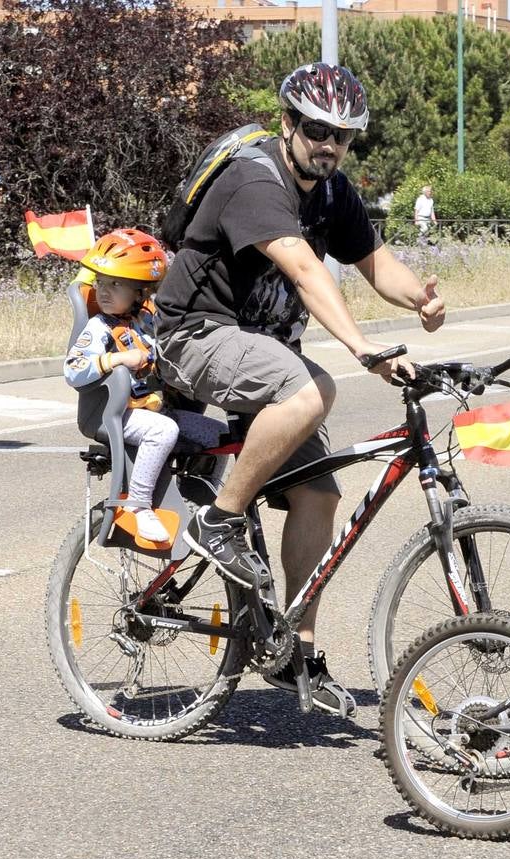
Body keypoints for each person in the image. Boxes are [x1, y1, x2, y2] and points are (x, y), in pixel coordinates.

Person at [154, 62, 445, 705]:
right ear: (289, 123)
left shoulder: (333, 192)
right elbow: (308, 273)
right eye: (317, 129)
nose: (329, 145)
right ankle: (219, 520)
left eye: (342, 136)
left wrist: (416, 300)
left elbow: (374, 263)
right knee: (313, 391)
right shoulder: (253, 180)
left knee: (319, 496)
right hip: (193, 338)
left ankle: (296, 649)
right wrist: (363, 347)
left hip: (259, 351)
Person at [64, 229, 228, 543]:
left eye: (115, 284)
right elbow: (72, 370)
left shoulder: (146, 320)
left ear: (141, 292)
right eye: (101, 283)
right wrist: (116, 360)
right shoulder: (99, 328)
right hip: (112, 414)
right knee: (163, 432)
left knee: (218, 436)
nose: (104, 292)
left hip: (155, 408)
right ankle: (138, 505)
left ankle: (195, 501)